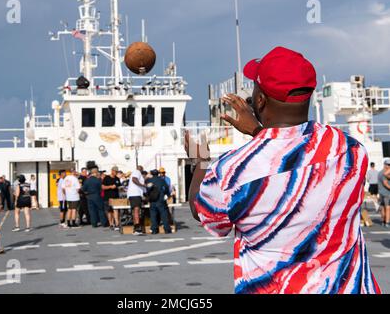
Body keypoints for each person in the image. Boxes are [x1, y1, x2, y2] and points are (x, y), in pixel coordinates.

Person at [186, 46, 381, 294]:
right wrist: (261, 133)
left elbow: (200, 210)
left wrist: (200, 161)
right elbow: (294, 159)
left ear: (259, 100)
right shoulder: (351, 151)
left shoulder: (232, 171)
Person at [146, 169, 171, 234]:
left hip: (152, 200)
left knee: (153, 215)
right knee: (164, 215)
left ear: (152, 174)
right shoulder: (161, 180)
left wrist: (148, 196)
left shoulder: (149, 180)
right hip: (160, 199)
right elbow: (166, 188)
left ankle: (154, 229)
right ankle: (167, 229)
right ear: (158, 173)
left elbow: (147, 190)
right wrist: (167, 195)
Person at [127, 165, 147, 235]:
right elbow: (134, 179)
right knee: (136, 210)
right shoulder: (137, 172)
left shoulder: (137, 174)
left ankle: (136, 227)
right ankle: (137, 228)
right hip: (135, 194)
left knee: (135, 211)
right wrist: (143, 185)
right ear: (141, 169)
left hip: (135, 194)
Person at [102, 166, 122, 230]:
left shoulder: (117, 179)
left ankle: (116, 224)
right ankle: (111, 224)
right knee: (109, 211)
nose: (116, 173)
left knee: (116, 211)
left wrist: (120, 188)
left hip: (116, 197)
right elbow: (103, 187)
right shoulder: (106, 178)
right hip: (108, 197)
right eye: (115, 171)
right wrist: (110, 187)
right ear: (112, 171)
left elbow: (119, 186)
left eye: (117, 172)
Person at [378, 159, 390, 228]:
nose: (389, 166)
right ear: (385, 165)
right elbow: (385, 183)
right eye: (388, 165)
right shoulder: (384, 173)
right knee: (388, 207)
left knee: (383, 207)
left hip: (381, 192)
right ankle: (387, 222)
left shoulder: (380, 172)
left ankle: (383, 221)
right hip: (386, 193)